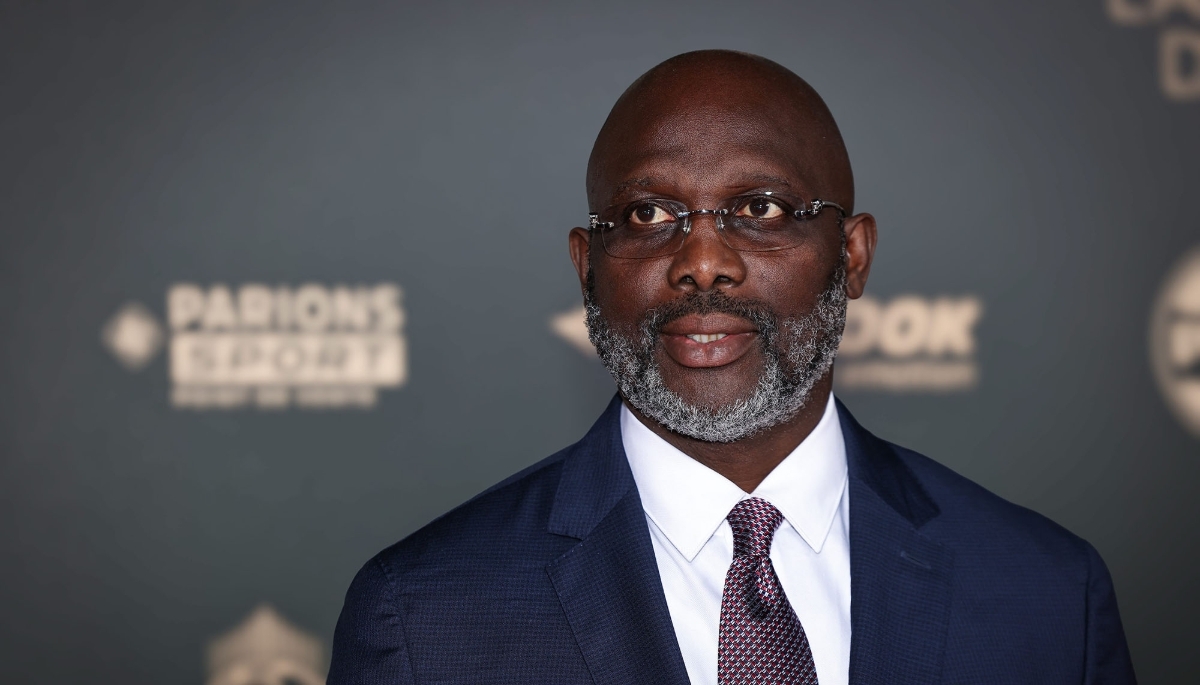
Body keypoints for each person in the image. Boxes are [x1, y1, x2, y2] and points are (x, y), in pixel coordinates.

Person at [327, 50, 1136, 685]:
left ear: (851, 256)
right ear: (586, 266)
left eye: (761, 209)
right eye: (648, 214)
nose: (703, 262)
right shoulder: (423, 614)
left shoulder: (1048, 595)